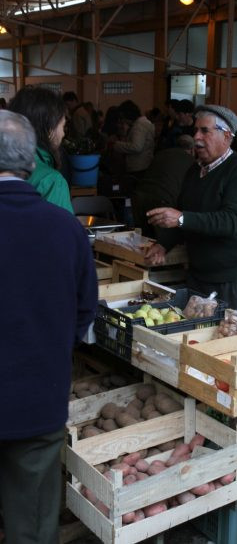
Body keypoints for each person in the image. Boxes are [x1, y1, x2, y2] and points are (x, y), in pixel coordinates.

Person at [0, 109, 98, 544]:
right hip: (38, 398)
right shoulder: (67, 229)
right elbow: (84, 311)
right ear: (32, 163)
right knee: (33, 520)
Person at [145, 104, 237, 315]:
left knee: (229, 343)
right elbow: (184, 214)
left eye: (205, 131)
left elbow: (230, 221)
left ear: (226, 136)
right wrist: (164, 244)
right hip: (199, 276)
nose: (197, 137)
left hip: (232, 280)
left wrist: (181, 218)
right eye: (196, 130)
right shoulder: (194, 171)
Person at [9, 86, 73, 212]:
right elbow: (61, 231)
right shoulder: (51, 181)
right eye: (63, 127)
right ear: (49, 129)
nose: (63, 134)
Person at [131, 135, 196, 237]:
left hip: (139, 197)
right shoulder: (191, 162)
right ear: (192, 149)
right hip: (163, 202)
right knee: (161, 245)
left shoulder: (161, 154)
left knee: (143, 242)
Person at [113, 99, 155, 178]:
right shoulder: (143, 122)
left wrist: (116, 145)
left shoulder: (139, 125)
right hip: (143, 164)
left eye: (123, 118)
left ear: (128, 115)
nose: (123, 120)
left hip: (139, 166)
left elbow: (136, 147)